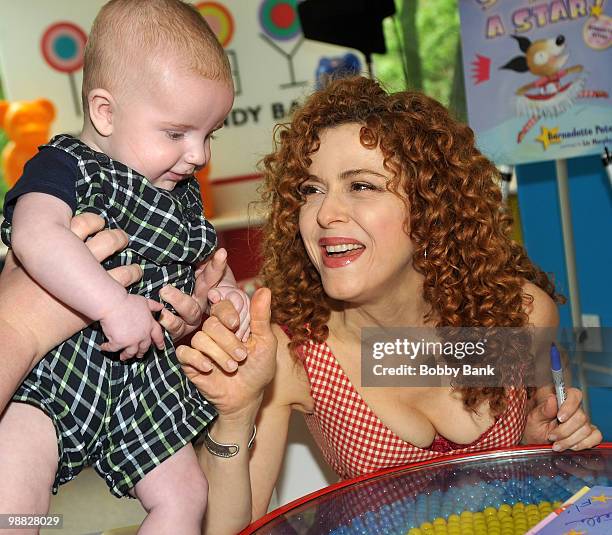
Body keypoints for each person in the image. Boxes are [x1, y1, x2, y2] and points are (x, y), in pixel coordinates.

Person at [174, 76, 603, 534]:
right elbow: (228, 530)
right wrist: (234, 420)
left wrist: (540, 445)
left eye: (361, 186)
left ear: (430, 205)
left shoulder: (517, 316)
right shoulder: (295, 353)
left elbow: (556, 433)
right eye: (310, 189)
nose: (323, 214)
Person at [0, 1, 247, 533]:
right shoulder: (66, 166)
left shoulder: (177, 191)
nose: (199, 154)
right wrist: (112, 304)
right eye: (178, 133)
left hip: (139, 383)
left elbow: (201, 257)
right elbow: (34, 234)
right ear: (105, 112)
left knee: (186, 494)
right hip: (53, 372)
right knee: (16, 497)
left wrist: (226, 293)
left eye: (210, 134)